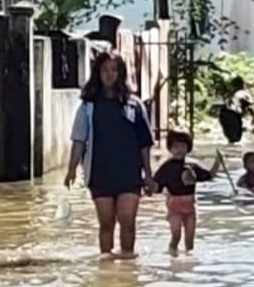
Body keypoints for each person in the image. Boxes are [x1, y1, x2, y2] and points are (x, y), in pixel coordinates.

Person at [64, 50, 156, 260]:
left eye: (114, 70)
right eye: (104, 70)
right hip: (100, 173)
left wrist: (148, 175)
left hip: (129, 173)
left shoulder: (134, 105)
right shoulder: (88, 106)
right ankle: (105, 265)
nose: (109, 75)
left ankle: (127, 265)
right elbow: (79, 140)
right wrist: (71, 170)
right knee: (106, 223)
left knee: (127, 221)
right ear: (97, 73)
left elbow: (144, 143)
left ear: (121, 74)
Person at [152, 130, 225, 253]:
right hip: (174, 208)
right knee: (176, 235)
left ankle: (188, 261)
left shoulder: (193, 166)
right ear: (170, 148)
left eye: (183, 146)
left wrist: (218, 162)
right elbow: (156, 187)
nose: (179, 149)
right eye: (176, 146)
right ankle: (172, 255)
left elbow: (209, 175)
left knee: (190, 240)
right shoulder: (166, 167)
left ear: (188, 148)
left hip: (190, 208)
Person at [217, 77, 254, 145]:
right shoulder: (244, 94)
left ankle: (230, 149)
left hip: (223, 113)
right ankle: (232, 150)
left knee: (232, 138)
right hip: (233, 114)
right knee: (236, 139)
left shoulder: (230, 93)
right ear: (243, 85)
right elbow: (252, 108)